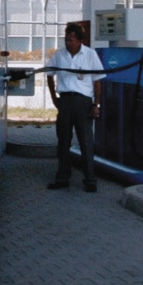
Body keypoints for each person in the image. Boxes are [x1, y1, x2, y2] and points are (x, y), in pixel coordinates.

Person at [45, 20, 103, 192]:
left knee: (85, 142)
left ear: (80, 40)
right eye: (66, 39)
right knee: (63, 140)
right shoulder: (59, 55)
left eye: (71, 39)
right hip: (65, 100)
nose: (68, 42)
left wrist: (96, 104)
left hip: (83, 102)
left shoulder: (90, 55)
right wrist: (54, 98)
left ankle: (90, 180)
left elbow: (98, 81)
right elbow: (49, 74)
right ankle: (62, 178)